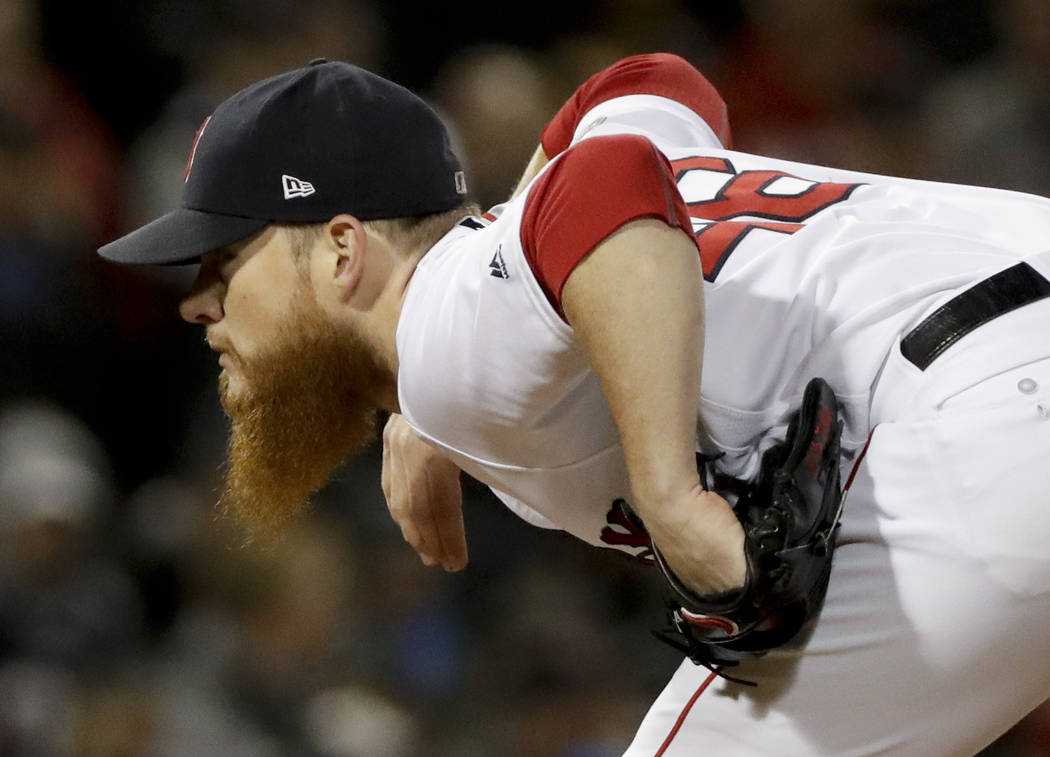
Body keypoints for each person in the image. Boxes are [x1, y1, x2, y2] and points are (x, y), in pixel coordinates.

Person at [98, 54, 1050, 755]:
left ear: (344, 253)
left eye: (229, 258)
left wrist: (670, 496)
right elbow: (650, 86)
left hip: (989, 414)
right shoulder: (492, 296)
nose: (199, 301)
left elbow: (601, 186)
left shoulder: (445, 319)